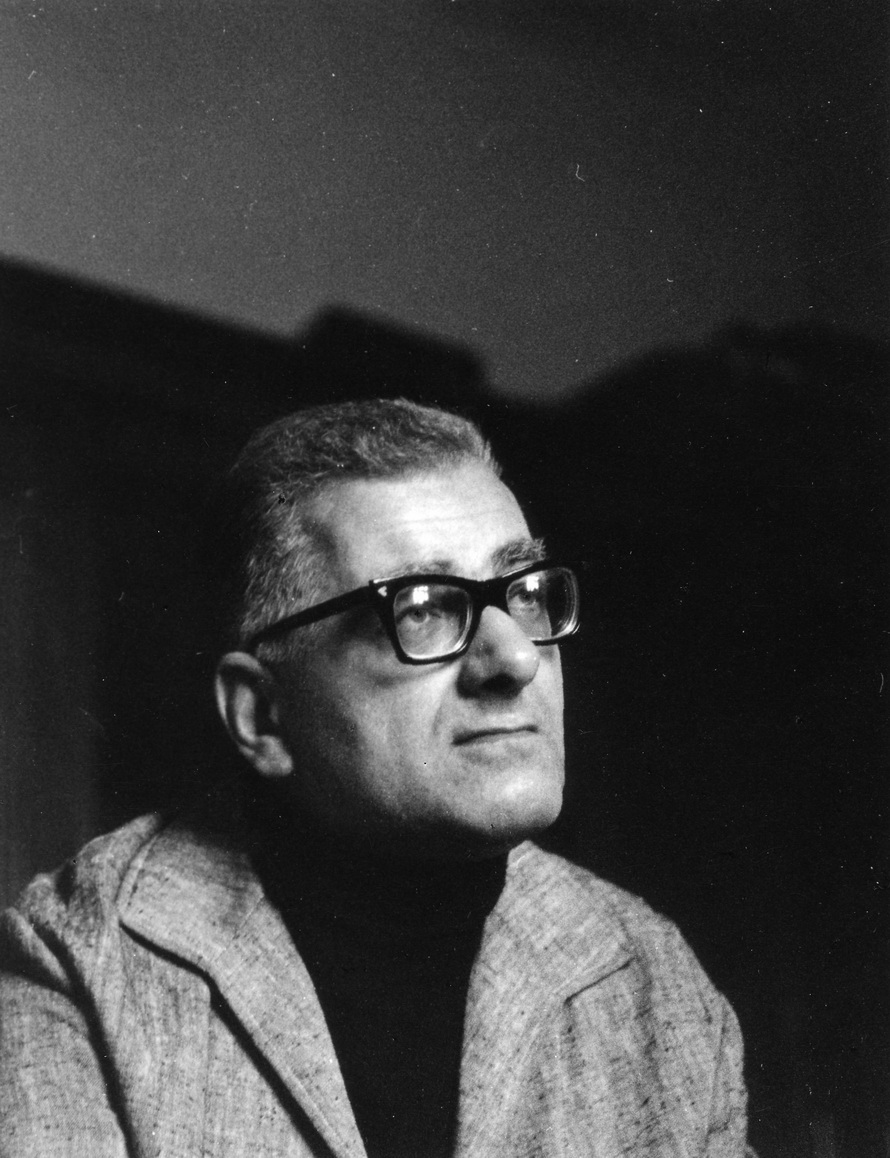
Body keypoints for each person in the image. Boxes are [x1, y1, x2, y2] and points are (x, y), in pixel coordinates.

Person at [0, 398, 749, 1157]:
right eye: (421, 608)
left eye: (523, 592)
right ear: (262, 715)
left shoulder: (656, 982)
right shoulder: (77, 969)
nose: (518, 658)